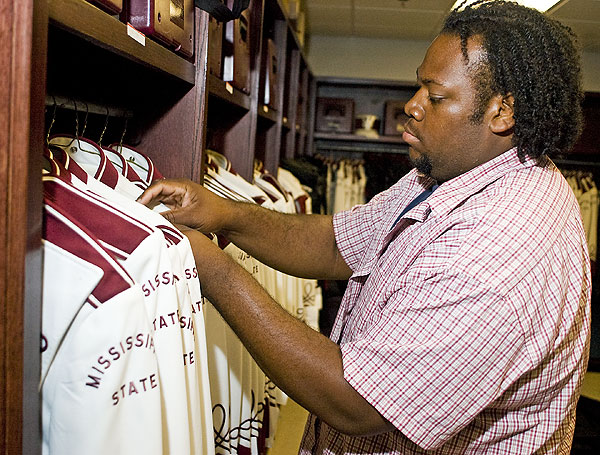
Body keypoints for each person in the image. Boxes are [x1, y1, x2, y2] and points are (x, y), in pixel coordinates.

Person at [138, 1, 591, 453]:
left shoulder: (498, 251)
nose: (412, 106)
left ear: (502, 112)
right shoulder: (447, 174)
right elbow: (338, 244)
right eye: (419, 87)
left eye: (435, 97)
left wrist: (213, 269)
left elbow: (356, 402)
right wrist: (228, 214)